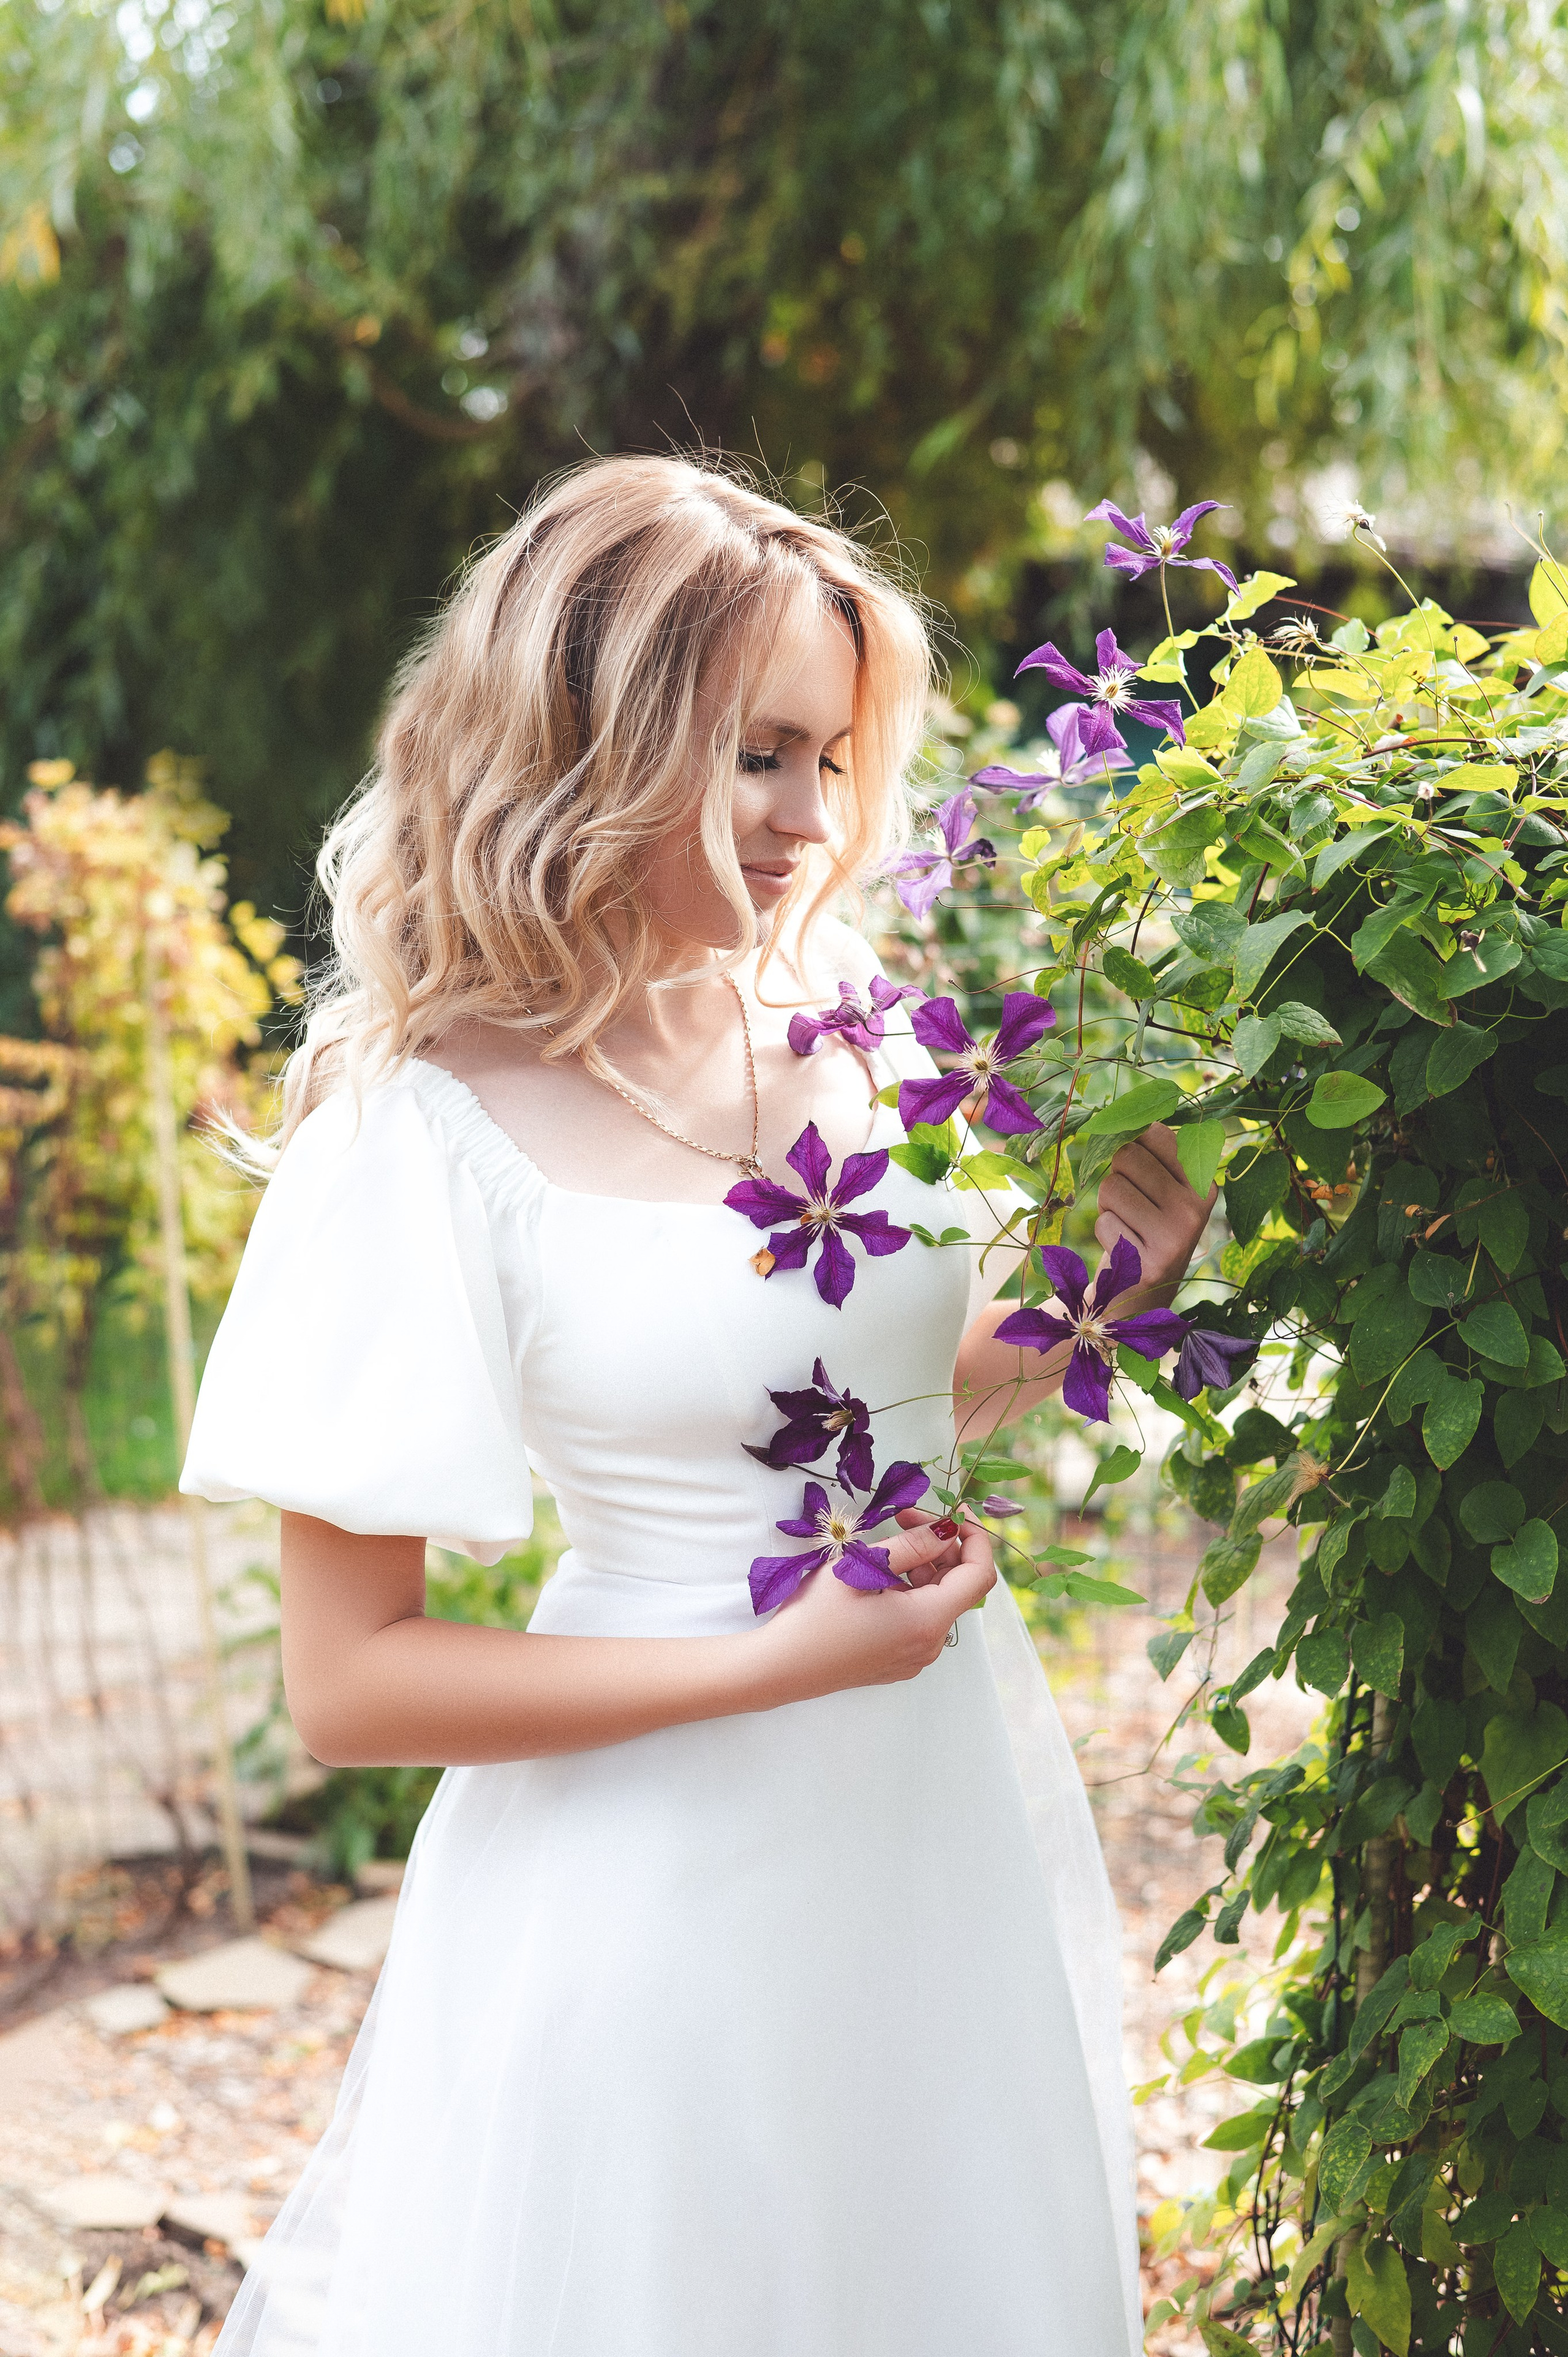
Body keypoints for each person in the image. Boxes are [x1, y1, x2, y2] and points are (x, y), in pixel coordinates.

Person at [183, 455, 1213, 2357]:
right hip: (645, 1904)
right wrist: (781, 1662)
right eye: (755, 755)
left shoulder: (854, 1023)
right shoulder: (419, 1127)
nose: (809, 821)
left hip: (927, 1835)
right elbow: (351, 1684)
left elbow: (876, 1384)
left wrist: (1103, 1289)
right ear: (582, 738)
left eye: (831, 761)